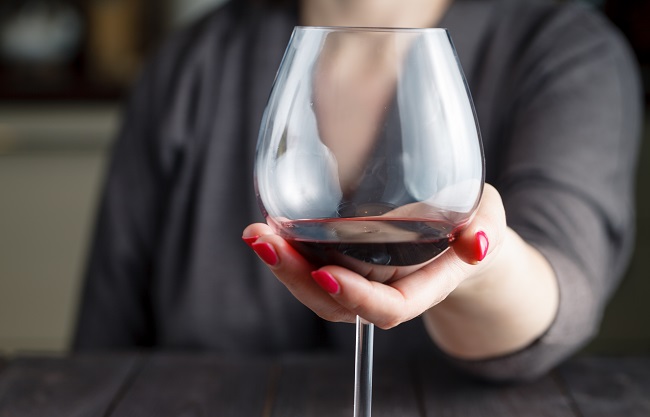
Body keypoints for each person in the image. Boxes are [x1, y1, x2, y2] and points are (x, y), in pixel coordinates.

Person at [73, 0, 642, 381]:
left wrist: (479, 262)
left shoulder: (566, 49)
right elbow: (102, 354)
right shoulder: (192, 63)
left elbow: (563, 287)